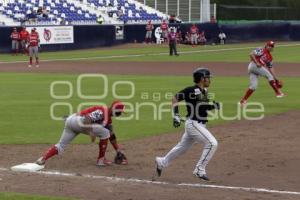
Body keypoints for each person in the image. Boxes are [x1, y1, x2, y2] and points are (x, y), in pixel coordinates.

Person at [155, 68, 219, 181]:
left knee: (182, 148)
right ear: (202, 79)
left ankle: (162, 162)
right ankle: (199, 169)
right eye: (208, 77)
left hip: (199, 125)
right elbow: (174, 99)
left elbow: (202, 107)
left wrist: (213, 106)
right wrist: (175, 116)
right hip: (194, 124)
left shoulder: (205, 91)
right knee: (212, 143)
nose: (210, 80)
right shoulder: (191, 90)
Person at [35, 101, 127, 166]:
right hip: (78, 121)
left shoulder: (108, 118)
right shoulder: (103, 111)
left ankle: (42, 159)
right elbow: (87, 119)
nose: (120, 114)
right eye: (120, 112)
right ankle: (101, 160)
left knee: (61, 145)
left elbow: (112, 135)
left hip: (71, 121)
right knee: (105, 132)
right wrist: (90, 132)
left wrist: (118, 151)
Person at [239, 41, 285, 106]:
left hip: (255, 69)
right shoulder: (261, 49)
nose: (271, 47)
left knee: (253, 86)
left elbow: (270, 68)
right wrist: (257, 63)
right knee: (269, 76)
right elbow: (251, 54)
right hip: (253, 65)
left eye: (272, 46)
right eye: (270, 46)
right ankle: (278, 93)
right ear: (266, 45)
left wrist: (276, 78)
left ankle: (243, 101)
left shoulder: (270, 57)